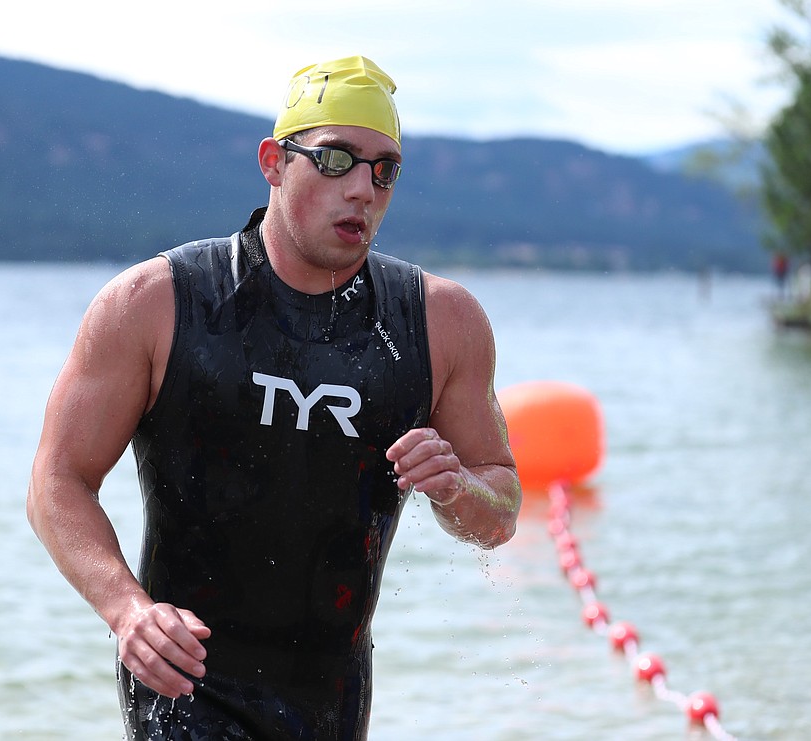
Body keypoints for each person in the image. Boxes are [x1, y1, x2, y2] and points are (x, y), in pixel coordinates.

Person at [27, 55, 522, 740]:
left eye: (384, 169)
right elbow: (57, 480)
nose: (362, 188)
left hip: (333, 696)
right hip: (184, 681)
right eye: (336, 159)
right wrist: (128, 610)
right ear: (273, 162)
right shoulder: (157, 303)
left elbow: (500, 510)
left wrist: (458, 486)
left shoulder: (440, 323)